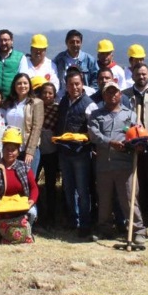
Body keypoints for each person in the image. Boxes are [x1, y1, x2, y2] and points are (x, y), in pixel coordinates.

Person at [89, 81, 145, 242]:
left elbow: (139, 135)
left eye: (114, 92)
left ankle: (138, 231)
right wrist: (110, 142)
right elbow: (94, 134)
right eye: (108, 92)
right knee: (104, 200)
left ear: (120, 94)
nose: (112, 95)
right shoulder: (96, 115)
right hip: (104, 164)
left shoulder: (131, 115)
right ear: (103, 95)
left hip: (125, 164)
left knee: (129, 199)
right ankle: (105, 229)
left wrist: (139, 144)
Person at [122, 63, 148, 226]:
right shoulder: (125, 95)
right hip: (134, 143)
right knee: (138, 180)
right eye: (138, 74)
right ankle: (142, 215)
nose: (141, 77)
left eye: (144, 74)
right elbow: (123, 120)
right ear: (132, 76)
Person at [0, 127, 40, 242]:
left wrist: (31, 201)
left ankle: (26, 232)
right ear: (2, 150)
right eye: (7, 149)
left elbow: (34, 188)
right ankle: (2, 233)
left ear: (18, 152)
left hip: (20, 205)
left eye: (13, 150)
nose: (10, 152)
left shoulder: (24, 167)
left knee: (32, 212)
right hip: (2, 205)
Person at [55, 70, 95, 238]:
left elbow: (93, 131)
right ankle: (73, 219)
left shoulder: (89, 104)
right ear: (66, 86)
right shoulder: (63, 101)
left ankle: (85, 223)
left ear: (82, 84)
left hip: (81, 153)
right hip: (64, 152)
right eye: (71, 84)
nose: (74, 87)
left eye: (77, 84)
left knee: (83, 190)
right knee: (68, 189)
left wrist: (83, 138)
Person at [4, 73, 44, 174]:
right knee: (12, 179)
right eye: (19, 83)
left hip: (27, 148)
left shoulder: (36, 103)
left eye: (25, 83)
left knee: (28, 180)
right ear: (14, 86)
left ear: (30, 85)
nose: (22, 86)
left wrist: (30, 151)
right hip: (11, 149)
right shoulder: (8, 102)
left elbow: (36, 128)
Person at [35, 80, 60, 229]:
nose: (47, 95)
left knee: (50, 184)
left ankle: (51, 216)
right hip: (36, 151)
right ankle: (37, 213)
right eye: (44, 92)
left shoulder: (57, 109)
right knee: (33, 182)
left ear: (54, 95)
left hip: (51, 151)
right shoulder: (35, 108)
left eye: (50, 93)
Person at [52, 30, 98, 98]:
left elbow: (96, 79)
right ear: (66, 43)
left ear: (81, 43)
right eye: (72, 42)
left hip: (84, 97)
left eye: (78, 42)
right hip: (62, 97)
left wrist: (89, 94)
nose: (75, 44)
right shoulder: (59, 59)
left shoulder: (89, 60)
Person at [0, 29, 29, 94]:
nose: (3, 43)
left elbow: (23, 78)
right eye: (0, 40)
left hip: (12, 97)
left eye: (6, 40)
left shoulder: (20, 57)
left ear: (12, 41)